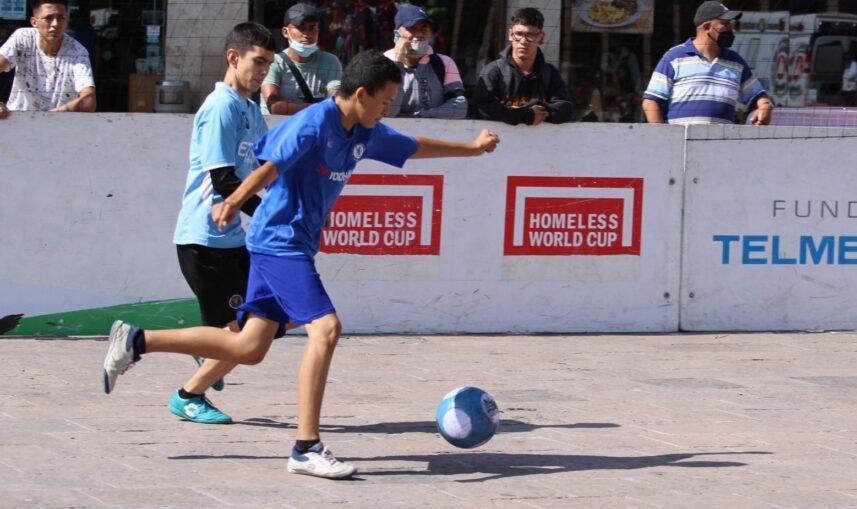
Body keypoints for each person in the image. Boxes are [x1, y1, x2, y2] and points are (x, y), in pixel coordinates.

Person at [102, 49, 500, 480]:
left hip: (291, 246)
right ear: (361, 94)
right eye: (385, 101)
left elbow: (413, 145)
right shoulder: (314, 123)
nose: (389, 109)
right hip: (280, 243)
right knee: (326, 329)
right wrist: (234, 200)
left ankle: (137, 341)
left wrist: (472, 149)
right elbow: (271, 166)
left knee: (249, 347)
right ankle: (306, 446)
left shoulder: (364, 129)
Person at [168, 22, 275, 425]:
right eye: (258, 62)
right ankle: (188, 396)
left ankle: (207, 347)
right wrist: (271, 216)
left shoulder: (249, 108)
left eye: (269, 64)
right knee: (243, 336)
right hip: (204, 241)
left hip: (233, 243)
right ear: (234, 57)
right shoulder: (221, 108)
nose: (264, 71)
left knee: (261, 323)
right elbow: (225, 181)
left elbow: (265, 168)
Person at [642, 1, 773, 126]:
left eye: (730, 24)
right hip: (681, 144)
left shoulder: (736, 62)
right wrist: (663, 136)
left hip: (721, 142)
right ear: (706, 27)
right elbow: (651, 101)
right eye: (725, 24)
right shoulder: (674, 57)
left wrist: (765, 106)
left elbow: (758, 96)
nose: (730, 28)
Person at [472, 7, 572, 126]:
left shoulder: (550, 72)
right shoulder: (493, 70)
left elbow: (565, 109)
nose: (523, 41)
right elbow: (482, 108)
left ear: (541, 37)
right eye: (518, 34)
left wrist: (542, 112)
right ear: (510, 35)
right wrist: (526, 115)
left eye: (531, 35)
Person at [0, 0, 95, 119]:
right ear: (34, 22)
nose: (55, 24)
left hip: (58, 127)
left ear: (67, 20)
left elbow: (88, 100)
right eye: (48, 18)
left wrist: (49, 116)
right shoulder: (22, 38)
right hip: (18, 122)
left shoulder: (78, 52)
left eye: (61, 18)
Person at [383, 3, 466, 119]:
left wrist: (419, 116)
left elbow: (460, 107)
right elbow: (387, 112)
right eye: (412, 29)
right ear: (396, 35)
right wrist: (398, 65)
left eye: (423, 29)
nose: (419, 35)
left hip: (436, 135)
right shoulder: (382, 64)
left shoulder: (444, 63)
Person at [261, 2, 342, 116]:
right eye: (301, 28)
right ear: (285, 32)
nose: (307, 34)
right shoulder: (273, 62)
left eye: (312, 27)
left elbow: (336, 104)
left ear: (318, 30)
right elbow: (275, 107)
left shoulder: (331, 62)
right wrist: (320, 108)